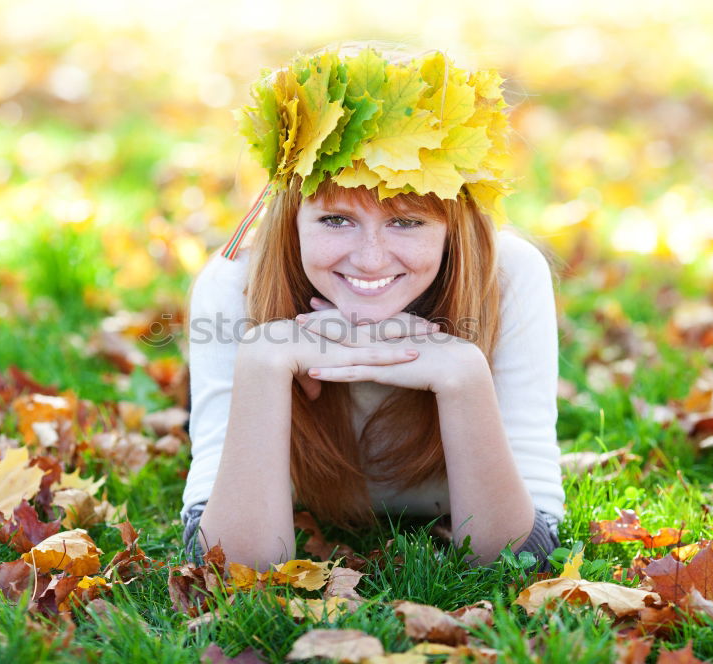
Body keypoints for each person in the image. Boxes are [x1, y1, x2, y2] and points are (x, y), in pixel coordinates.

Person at [180, 44, 563, 570]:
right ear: (290, 218)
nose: (370, 259)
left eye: (407, 222)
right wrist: (263, 364)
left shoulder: (510, 276)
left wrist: (464, 378)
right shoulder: (233, 286)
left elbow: (518, 560)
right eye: (336, 220)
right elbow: (234, 567)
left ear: (453, 226)